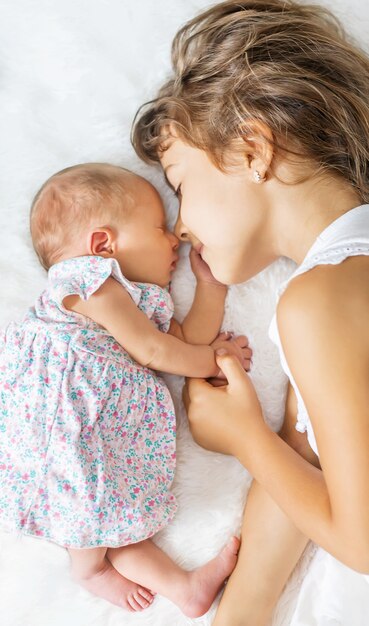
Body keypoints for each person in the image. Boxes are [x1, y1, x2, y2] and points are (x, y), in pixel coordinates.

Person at [132, 0, 369, 624]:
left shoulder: (319, 301)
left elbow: (363, 539)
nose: (179, 228)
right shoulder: (336, 286)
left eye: (180, 186)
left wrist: (244, 437)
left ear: (250, 147)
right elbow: (306, 460)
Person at [0, 162, 254, 616]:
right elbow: (155, 351)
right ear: (102, 245)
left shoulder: (140, 300)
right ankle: (88, 570)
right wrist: (218, 359)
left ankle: (184, 589)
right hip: (59, 430)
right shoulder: (87, 284)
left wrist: (210, 288)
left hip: (95, 433)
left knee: (114, 523)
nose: (174, 237)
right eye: (159, 227)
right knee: (90, 507)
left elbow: (182, 342)